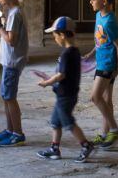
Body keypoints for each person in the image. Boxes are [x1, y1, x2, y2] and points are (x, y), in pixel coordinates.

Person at [36, 16, 95, 163]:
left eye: (55, 35)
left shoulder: (67, 54)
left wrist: (47, 82)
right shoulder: (75, 51)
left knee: (68, 123)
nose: (54, 38)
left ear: (62, 35)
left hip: (65, 96)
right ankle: (54, 149)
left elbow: (61, 75)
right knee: (55, 122)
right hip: (66, 94)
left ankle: (86, 145)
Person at [83, 0, 118, 149]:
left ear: (105, 1)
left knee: (95, 97)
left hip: (108, 64)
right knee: (106, 100)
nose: (91, 2)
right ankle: (105, 134)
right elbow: (101, 39)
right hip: (101, 60)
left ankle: (115, 129)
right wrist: (92, 52)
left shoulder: (110, 21)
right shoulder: (100, 15)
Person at [0, 0, 29, 147]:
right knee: (6, 96)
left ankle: (17, 133)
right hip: (11, 61)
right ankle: (9, 129)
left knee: (10, 97)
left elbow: (11, 40)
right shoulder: (13, 13)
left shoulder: (14, 14)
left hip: (13, 61)